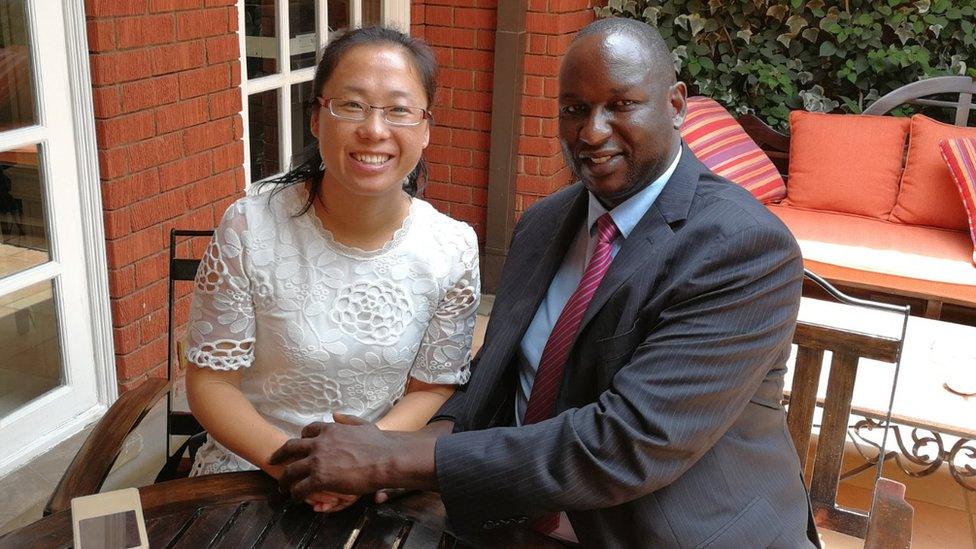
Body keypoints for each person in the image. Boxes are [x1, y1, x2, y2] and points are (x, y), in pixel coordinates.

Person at [270, 18, 819, 548]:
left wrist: (390, 458)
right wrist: (387, 456)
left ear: (675, 106)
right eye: (574, 110)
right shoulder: (544, 225)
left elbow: (624, 444)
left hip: (678, 535)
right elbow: (492, 390)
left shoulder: (741, 247)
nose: (593, 131)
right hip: (515, 522)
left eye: (621, 105)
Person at [184, 26, 480, 513]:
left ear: (425, 129)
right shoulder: (249, 227)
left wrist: (358, 464)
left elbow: (433, 387)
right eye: (353, 105)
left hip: (377, 480)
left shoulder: (452, 248)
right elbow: (212, 383)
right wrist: (297, 468)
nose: (375, 130)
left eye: (399, 110)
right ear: (318, 118)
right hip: (252, 470)